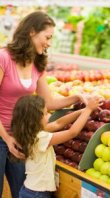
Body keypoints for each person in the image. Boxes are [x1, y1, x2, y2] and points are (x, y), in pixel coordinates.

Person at [0, 11, 90, 197]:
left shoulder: (36, 64)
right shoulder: (4, 58)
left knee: (21, 190)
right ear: (32, 31)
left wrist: (76, 98)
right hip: (2, 136)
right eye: (47, 37)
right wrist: (7, 139)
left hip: (22, 138)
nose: (49, 43)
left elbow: (49, 102)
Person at [11, 94, 101, 198]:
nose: (48, 117)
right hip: (37, 194)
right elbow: (72, 132)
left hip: (31, 190)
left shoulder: (29, 134)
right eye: (45, 114)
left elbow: (58, 123)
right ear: (35, 119)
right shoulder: (40, 138)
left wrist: (83, 111)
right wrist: (89, 109)